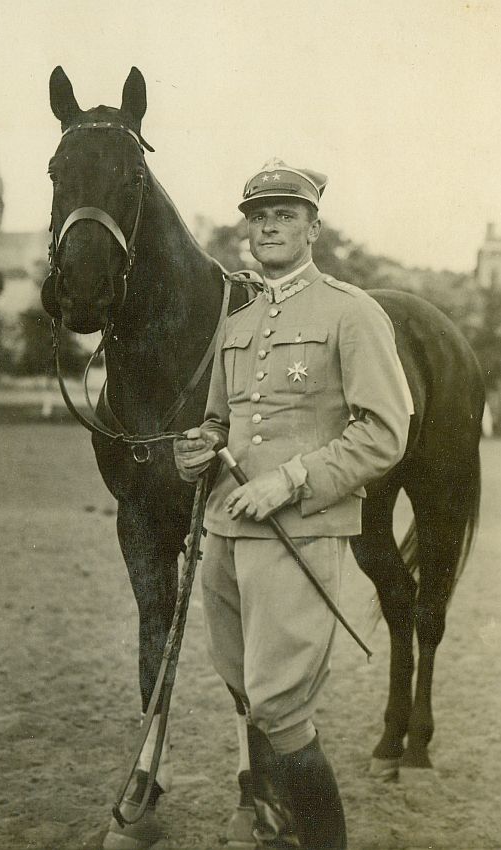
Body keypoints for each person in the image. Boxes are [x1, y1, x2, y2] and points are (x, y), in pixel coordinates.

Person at [173, 158, 412, 850]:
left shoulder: (351, 311)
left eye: (285, 215)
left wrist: (293, 479)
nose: (270, 226)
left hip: (299, 532)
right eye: (259, 217)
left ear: (313, 229)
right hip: (226, 532)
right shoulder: (238, 322)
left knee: (280, 704)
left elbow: (383, 431)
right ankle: (278, 830)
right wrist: (197, 449)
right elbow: (219, 423)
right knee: (247, 691)